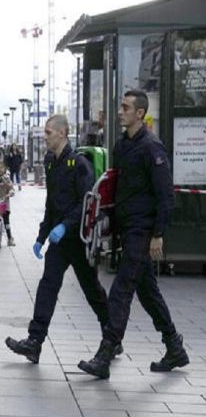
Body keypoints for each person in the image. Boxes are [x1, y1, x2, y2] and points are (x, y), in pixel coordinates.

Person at [78, 90, 188, 379]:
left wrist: (158, 234)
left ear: (140, 113)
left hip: (143, 230)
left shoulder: (152, 148)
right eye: (121, 106)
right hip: (127, 230)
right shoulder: (122, 146)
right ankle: (174, 346)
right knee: (147, 291)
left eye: (126, 107)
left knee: (122, 289)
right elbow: (116, 189)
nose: (120, 111)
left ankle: (106, 352)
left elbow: (165, 195)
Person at [5, 114, 114, 364]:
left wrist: (65, 226)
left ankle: (112, 335)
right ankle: (35, 342)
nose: (45, 137)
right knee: (48, 286)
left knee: (92, 290)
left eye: (48, 133)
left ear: (62, 133)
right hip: (59, 240)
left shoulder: (79, 164)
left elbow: (86, 203)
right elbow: (51, 204)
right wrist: (42, 236)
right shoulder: (51, 162)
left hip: (77, 238)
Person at [0, 161, 16, 247]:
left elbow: (11, 188)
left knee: (6, 221)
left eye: (2, 167)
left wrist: (10, 193)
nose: (0, 169)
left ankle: (10, 238)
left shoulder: (6, 178)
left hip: (4, 202)